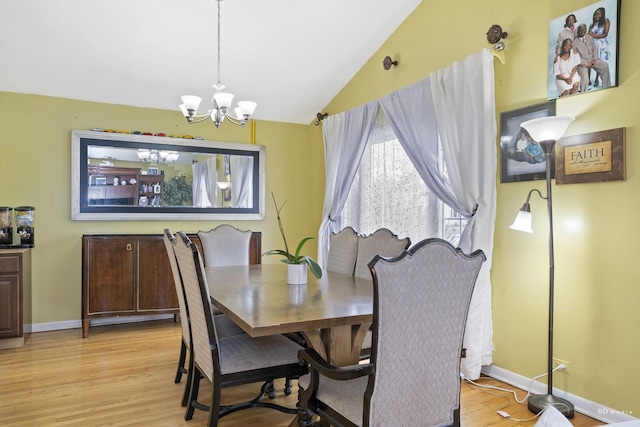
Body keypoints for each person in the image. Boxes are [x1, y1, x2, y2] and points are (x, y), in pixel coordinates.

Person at [573, 23, 611, 92]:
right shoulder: (574, 43)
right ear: (578, 31)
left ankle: (607, 87)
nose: (583, 31)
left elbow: (594, 48)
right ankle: (584, 92)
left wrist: (595, 59)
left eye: (584, 29)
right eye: (581, 30)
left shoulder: (589, 37)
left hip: (593, 60)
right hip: (582, 64)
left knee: (605, 65)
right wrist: (586, 63)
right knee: (585, 77)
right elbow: (575, 58)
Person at [588, 7, 610, 87]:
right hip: (593, 45)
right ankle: (588, 79)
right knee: (590, 61)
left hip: (601, 45)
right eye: (596, 13)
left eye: (599, 13)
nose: (597, 15)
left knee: (599, 62)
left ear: (602, 14)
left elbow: (605, 34)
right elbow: (588, 34)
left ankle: (597, 79)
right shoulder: (592, 23)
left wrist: (594, 36)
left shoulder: (605, 21)